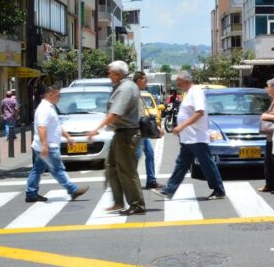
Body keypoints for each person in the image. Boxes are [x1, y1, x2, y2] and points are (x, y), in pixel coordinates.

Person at [152, 71, 226, 200]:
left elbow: (199, 112)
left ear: (187, 81)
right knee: (181, 164)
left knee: (207, 164)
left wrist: (182, 126)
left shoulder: (196, 92)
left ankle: (219, 190)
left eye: (179, 81)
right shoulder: (188, 93)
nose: (177, 84)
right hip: (189, 138)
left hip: (197, 137)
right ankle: (169, 190)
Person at [86, 61, 146, 216]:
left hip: (127, 134)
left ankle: (137, 204)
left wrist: (96, 129)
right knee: (111, 165)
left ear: (118, 74)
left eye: (110, 72)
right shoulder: (125, 86)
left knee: (127, 170)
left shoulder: (125, 88)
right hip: (121, 132)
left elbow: (115, 113)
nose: (108, 75)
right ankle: (118, 201)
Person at [25, 86, 89, 203]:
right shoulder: (44, 108)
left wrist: (68, 137)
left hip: (44, 145)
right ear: (50, 94)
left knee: (37, 170)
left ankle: (31, 193)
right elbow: (41, 127)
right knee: (58, 169)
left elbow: (56, 126)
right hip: (48, 146)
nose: (60, 97)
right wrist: (45, 145)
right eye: (58, 95)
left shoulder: (49, 107)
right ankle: (73, 190)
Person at [132, 72, 163, 190]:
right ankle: (129, 181)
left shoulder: (139, 93)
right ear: (139, 80)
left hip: (142, 130)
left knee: (149, 153)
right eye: (145, 80)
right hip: (137, 130)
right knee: (135, 157)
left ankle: (151, 180)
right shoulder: (132, 92)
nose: (147, 83)